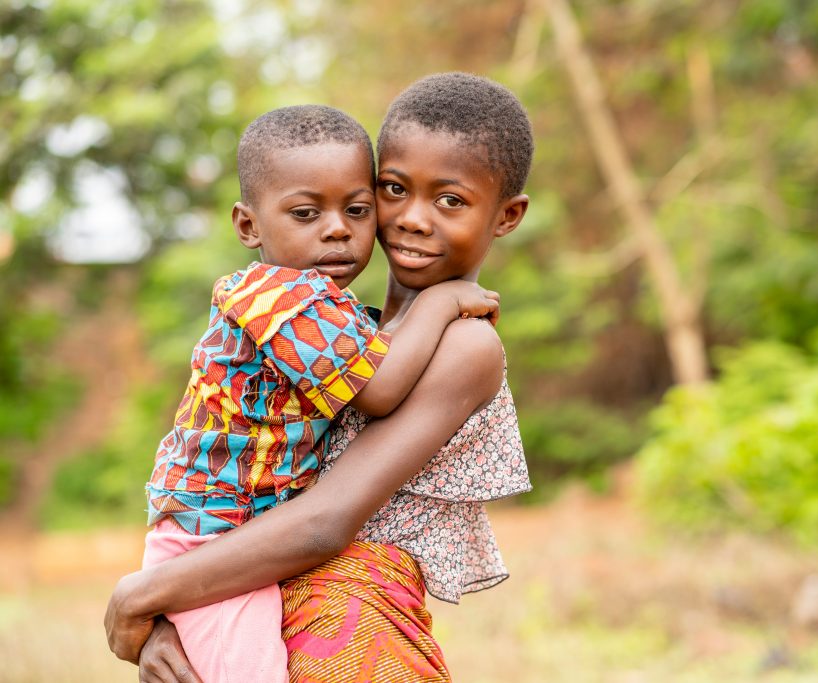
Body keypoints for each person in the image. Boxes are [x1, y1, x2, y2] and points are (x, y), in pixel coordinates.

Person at [107, 72, 534, 682]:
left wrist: (141, 595)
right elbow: (240, 504)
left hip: (358, 632)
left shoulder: (465, 344)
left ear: (507, 215)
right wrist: (176, 619)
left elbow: (322, 524)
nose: (412, 218)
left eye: (450, 200)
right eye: (394, 189)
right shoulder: (335, 332)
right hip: (267, 611)